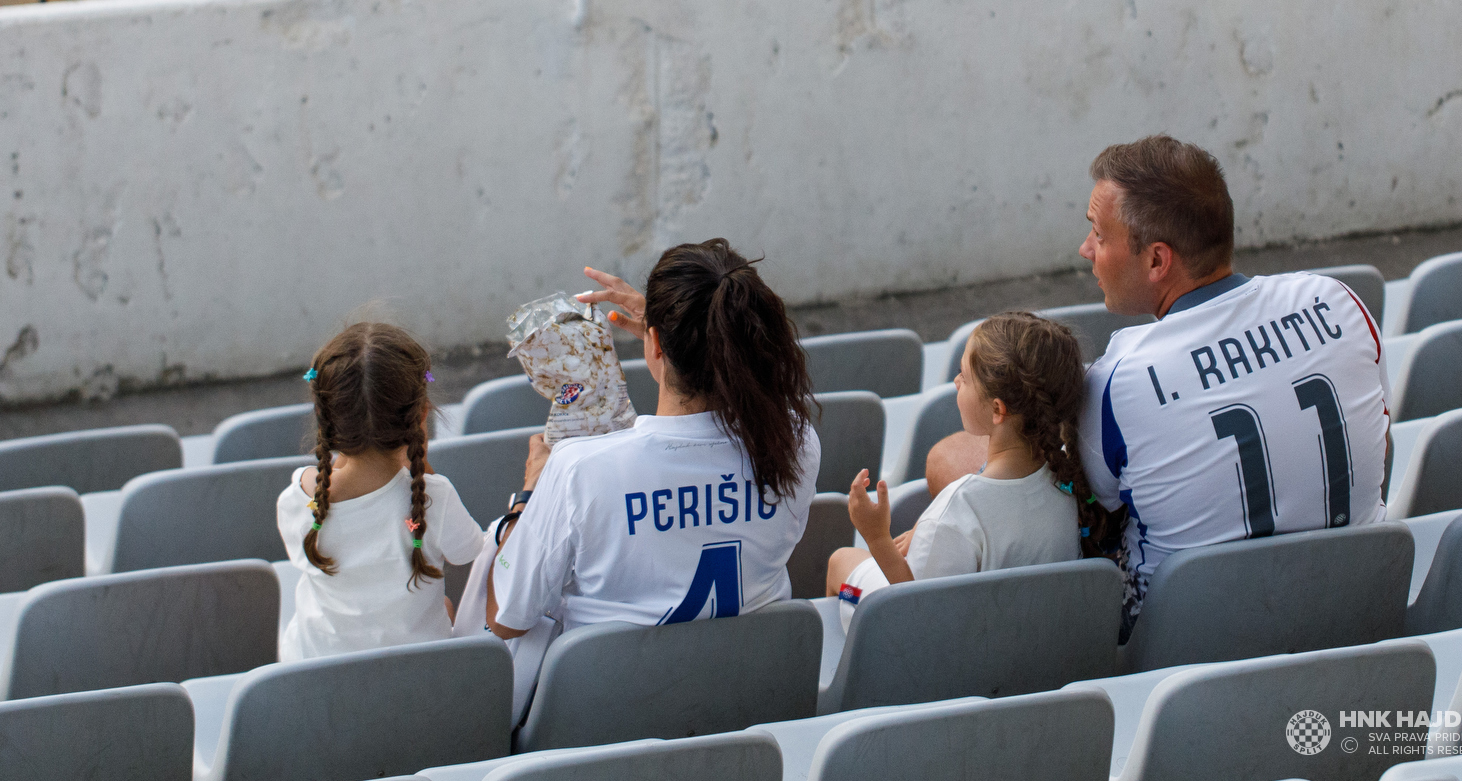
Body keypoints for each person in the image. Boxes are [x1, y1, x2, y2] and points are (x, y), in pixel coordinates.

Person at [923, 135, 1392, 638]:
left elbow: (1085, 508)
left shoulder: (1117, 381)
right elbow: (1380, 442)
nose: (1085, 250)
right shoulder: (1338, 300)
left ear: (1157, 261)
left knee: (951, 459)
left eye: (1099, 236)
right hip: (1359, 603)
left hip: (1184, 639)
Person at [484, 239, 820, 656]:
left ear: (655, 342)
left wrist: (527, 498)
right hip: (745, 687)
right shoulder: (795, 440)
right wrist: (689, 330)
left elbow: (504, 621)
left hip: (609, 706)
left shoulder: (579, 469)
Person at [824, 312, 1108, 632]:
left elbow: (912, 603)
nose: (956, 381)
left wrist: (876, 537)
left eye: (964, 376)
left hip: (939, 646)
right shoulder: (1067, 484)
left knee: (840, 564)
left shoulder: (956, 511)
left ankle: (849, 627)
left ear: (998, 410)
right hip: (1021, 637)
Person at [277, 322, 486, 661]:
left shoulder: (299, 500)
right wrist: (422, 466)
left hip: (317, 681)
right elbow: (468, 553)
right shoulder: (434, 498)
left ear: (325, 417)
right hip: (414, 676)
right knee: (446, 608)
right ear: (422, 416)